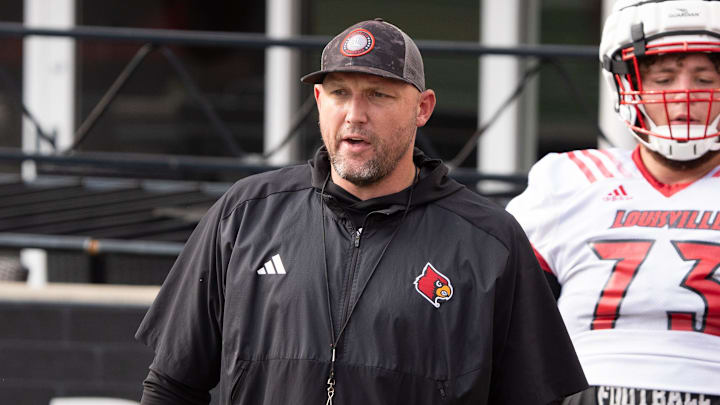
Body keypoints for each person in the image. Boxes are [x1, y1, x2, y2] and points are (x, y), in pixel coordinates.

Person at [136, 18, 587, 405]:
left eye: (379, 95)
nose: (355, 114)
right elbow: (172, 385)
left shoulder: (491, 241)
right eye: (338, 93)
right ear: (318, 102)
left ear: (422, 109)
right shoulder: (245, 214)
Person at [506, 1, 720, 404]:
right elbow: (497, 310)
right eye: (664, 79)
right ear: (630, 87)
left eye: (704, 79)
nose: (685, 95)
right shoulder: (570, 179)